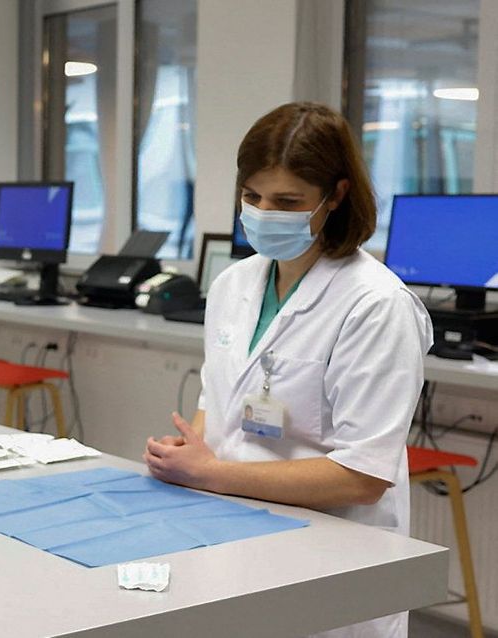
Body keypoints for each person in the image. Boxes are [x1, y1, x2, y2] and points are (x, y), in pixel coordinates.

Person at [143, 102, 432, 638]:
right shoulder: (235, 285)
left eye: (287, 201)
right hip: (232, 533)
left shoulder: (376, 305)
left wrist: (213, 474)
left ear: (336, 195)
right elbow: (219, 405)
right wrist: (190, 452)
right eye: (252, 197)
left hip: (332, 555)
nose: (263, 212)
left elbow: (364, 476)